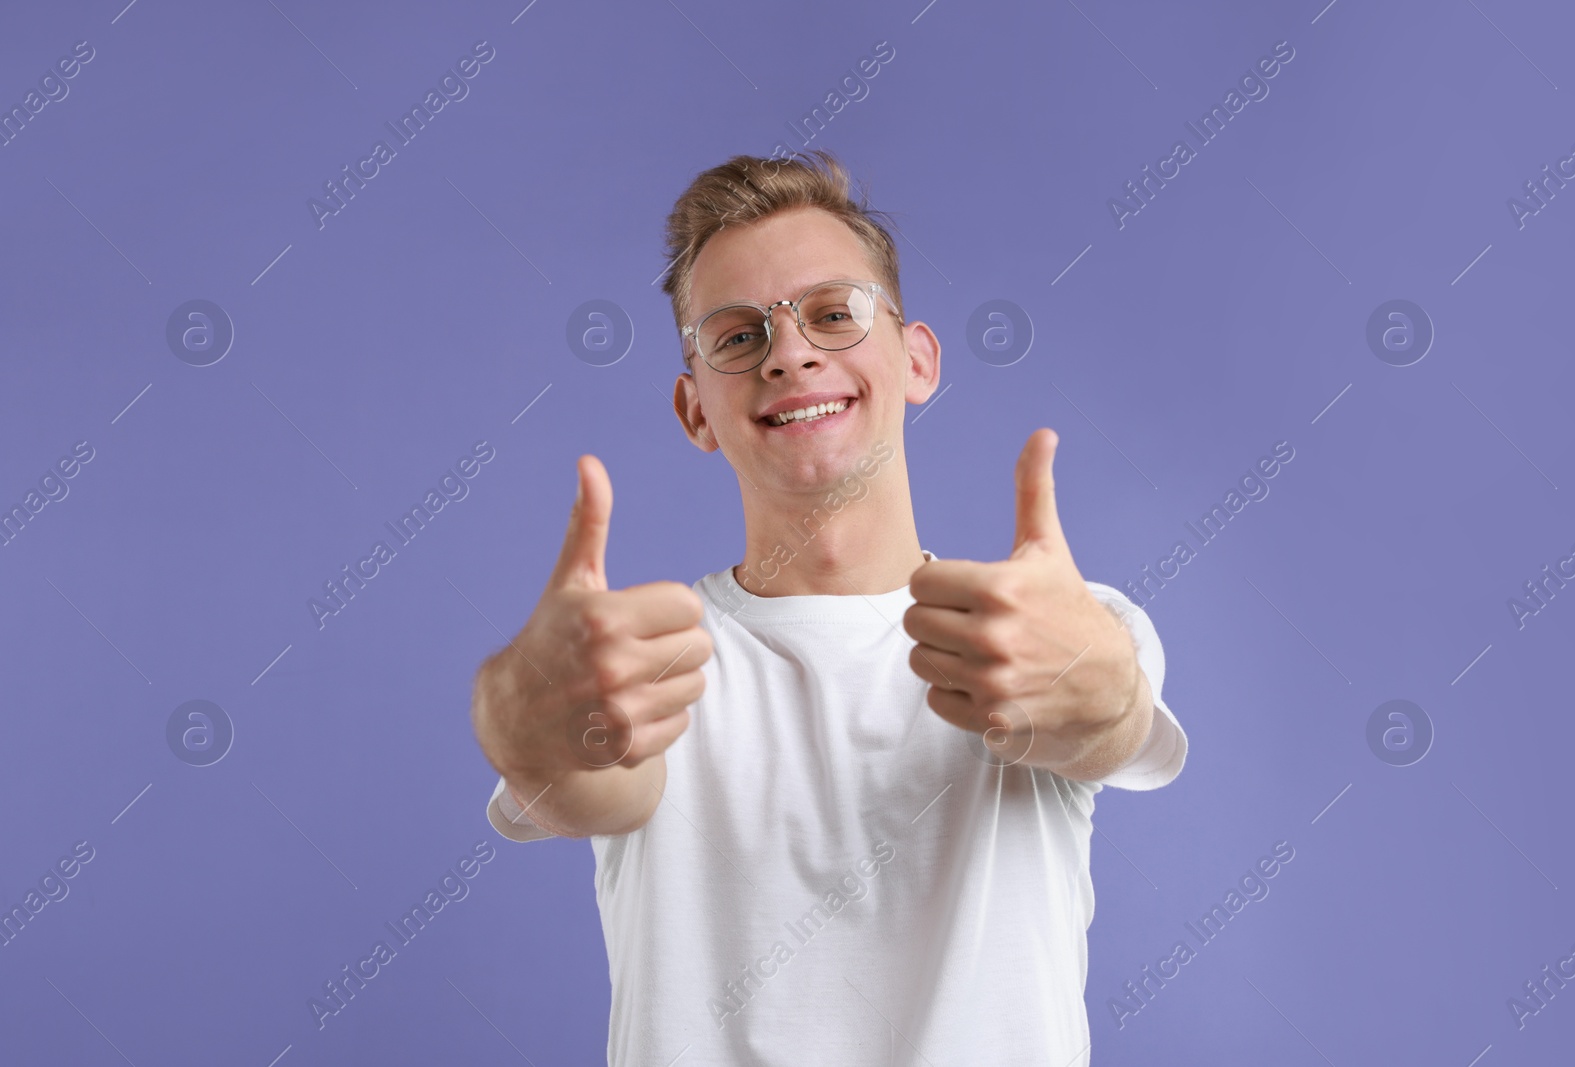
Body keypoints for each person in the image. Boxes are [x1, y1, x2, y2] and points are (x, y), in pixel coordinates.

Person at [470, 149, 1187, 1065]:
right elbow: (590, 778)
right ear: (695, 410)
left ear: (917, 357)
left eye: (833, 314)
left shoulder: (1054, 632)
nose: (791, 353)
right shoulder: (647, 666)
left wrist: (1103, 693)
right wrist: (514, 715)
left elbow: (1104, 716)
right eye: (737, 336)